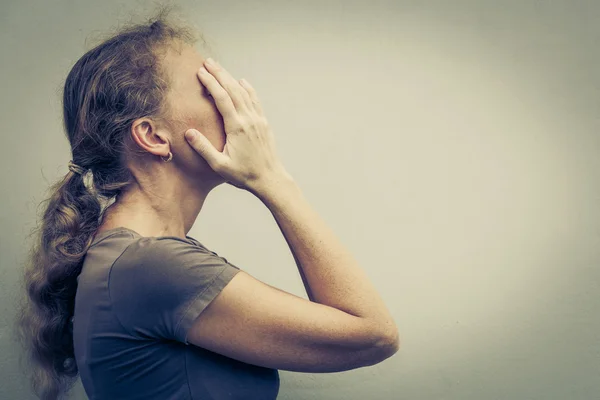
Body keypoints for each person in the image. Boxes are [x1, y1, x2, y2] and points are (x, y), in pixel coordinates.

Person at [16, 10, 400, 400]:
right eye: (210, 86)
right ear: (152, 136)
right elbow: (373, 334)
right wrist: (272, 180)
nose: (239, 104)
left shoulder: (138, 258)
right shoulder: (149, 265)